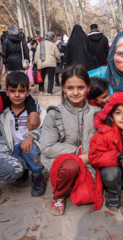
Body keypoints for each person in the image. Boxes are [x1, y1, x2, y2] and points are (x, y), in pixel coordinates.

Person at [40, 65, 101, 216]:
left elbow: (106, 142)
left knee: (86, 197)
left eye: (80, 87)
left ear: (88, 87)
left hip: (90, 161)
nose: (75, 92)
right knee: (71, 166)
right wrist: (76, 153)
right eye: (70, 88)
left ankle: (74, 182)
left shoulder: (97, 113)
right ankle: (59, 196)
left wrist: (91, 157)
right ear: (63, 89)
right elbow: (47, 147)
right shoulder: (55, 114)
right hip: (65, 162)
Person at [0, 72, 46, 197]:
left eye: (21, 91)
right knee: (16, 150)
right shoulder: (4, 112)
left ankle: (37, 176)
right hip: (12, 149)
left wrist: (31, 137)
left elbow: (45, 128)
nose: (16, 95)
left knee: (29, 149)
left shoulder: (37, 111)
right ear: (6, 92)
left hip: (30, 145)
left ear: (28, 92)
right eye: (12, 91)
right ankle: (24, 169)